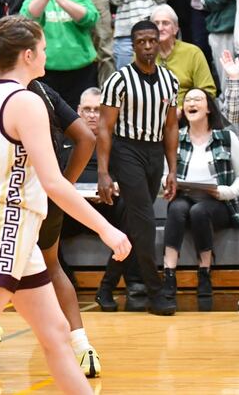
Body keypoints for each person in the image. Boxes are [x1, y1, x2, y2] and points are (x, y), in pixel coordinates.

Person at [0, 15, 130, 394]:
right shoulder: (25, 101)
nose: (47, 55)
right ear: (28, 54)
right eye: (44, 49)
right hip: (4, 226)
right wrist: (107, 228)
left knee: (57, 333)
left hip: (8, 228)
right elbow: (53, 182)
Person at [96, 20, 179, 316]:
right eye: (141, 41)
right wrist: (104, 173)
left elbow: (171, 127)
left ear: (159, 43)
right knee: (144, 221)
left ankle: (106, 288)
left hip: (155, 152)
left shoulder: (171, 81)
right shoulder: (118, 80)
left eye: (151, 41)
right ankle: (155, 292)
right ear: (132, 45)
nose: (147, 46)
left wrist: (172, 169)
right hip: (126, 150)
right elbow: (104, 128)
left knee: (133, 225)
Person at [164, 87, 239, 312]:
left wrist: (225, 191)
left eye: (197, 99)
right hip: (185, 196)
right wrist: (168, 185)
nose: (191, 103)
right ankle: (169, 274)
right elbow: (165, 174)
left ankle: (204, 273)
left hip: (218, 202)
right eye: (187, 100)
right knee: (176, 209)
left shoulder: (226, 137)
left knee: (200, 211)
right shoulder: (176, 136)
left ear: (208, 108)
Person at [21, 0, 98, 110]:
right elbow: (28, 18)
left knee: (80, 116)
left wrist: (61, 0)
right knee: (48, 115)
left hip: (81, 72)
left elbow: (91, 18)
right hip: (45, 72)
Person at [151, 4, 216, 105]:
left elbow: (208, 91)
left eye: (165, 23)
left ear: (175, 29)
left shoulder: (192, 53)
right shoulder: (143, 54)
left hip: (186, 114)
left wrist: (182, 110)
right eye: (156, 24)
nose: (160, 28)